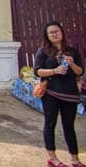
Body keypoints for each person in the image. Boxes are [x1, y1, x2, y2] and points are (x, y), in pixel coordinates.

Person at [34, 21, 84, 167]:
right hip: (50, 92)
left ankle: (75, 159)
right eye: (51, 33)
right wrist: (54, 71)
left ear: (62, 33)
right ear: (47, 36)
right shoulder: (43, 52)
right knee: (50, 123)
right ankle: (52, 158)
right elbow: (37, 71)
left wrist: (72, 64)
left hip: (69, 93)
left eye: (57, 31)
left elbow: (80, 71)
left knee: (69, 125)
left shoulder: (72, 51)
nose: (55, 34)